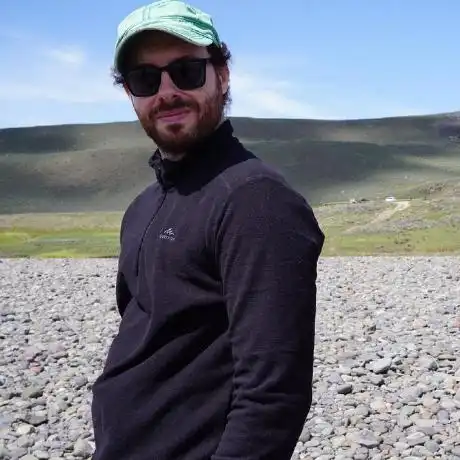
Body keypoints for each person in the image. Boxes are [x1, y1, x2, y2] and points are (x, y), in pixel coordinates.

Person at [91, 1, 325, 459]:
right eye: (145, 79)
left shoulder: (256, 202)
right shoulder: (144, 206)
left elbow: (273, 394)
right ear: (131, 94)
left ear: (222, 74)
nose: (167, 92)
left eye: (186, 71)